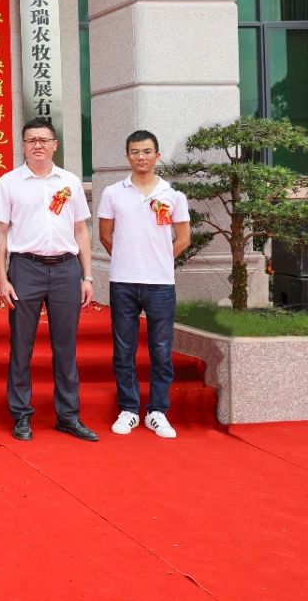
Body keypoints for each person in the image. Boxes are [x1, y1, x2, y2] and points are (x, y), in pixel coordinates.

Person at [0, 117, 98, 442]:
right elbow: (0, 233)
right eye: (31, 140)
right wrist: (1, 278)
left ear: (55, 145)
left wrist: (87, 275)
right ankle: (21, 415)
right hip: (26, 268)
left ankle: (68, 416)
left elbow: (81, 230)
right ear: (23, 146)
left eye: (43, 140)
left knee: (65, 346)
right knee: (21, 345)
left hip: (66, 269)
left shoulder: (69, 182)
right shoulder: (8, 183)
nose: (37, 145)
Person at [98, 130, 191, 439]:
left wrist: (159, 259)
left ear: (157, 155)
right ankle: (128, 408)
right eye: (135, 151)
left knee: (161, 350)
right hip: (123, 282)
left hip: (160, 284)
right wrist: (128, 258)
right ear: (128, 156)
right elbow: (105, 236)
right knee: (123, 349)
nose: (141, 157)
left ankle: (157, 411)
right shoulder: (113, 193)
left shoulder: (172, 195)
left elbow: (184, 238)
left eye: (147, 151)